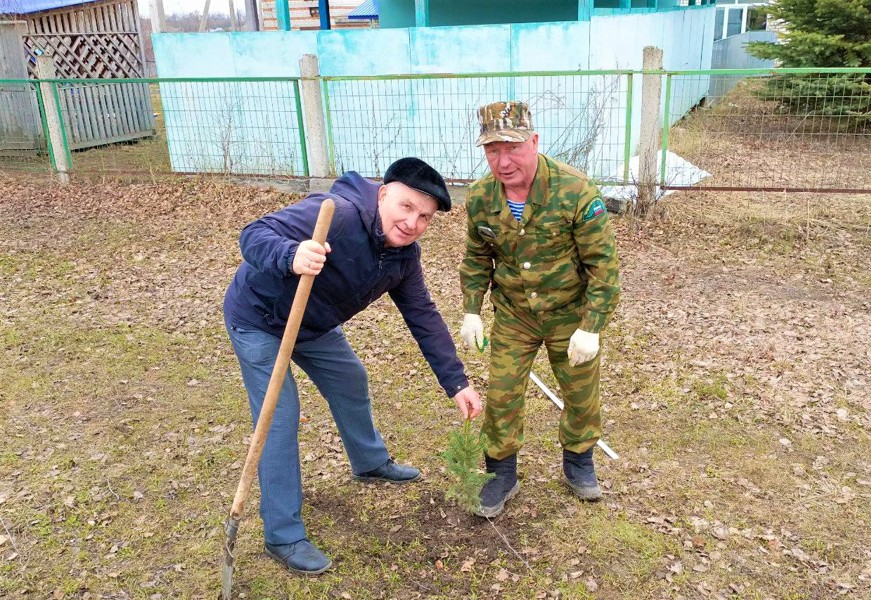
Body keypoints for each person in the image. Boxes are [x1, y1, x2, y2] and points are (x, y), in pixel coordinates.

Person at [224, 157, 483, 575]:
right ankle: (283, 535)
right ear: (383, 194)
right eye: (405, 206)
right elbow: (254, 234)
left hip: (313, 322)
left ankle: (369, 462)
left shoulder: (402, 259)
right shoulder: (337, 215)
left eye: (424, 217)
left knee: (350, 379)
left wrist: (457, 383)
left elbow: (424, 316)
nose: (412, 222)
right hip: (260, 317)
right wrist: (291, 254)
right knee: (279, 415)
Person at [458, 101, 620, 518]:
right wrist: (472, 310)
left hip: (569, 311)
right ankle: (501, 473)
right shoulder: (480, 197)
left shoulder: (576, 191)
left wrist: (592, 325)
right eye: (492, 150)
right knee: (502, 392)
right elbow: (478, 258)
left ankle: (579, 461)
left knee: (580, 392)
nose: (503, 160)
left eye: (512, 147)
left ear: (534, 141)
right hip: (515, 313)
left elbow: (603, 266)